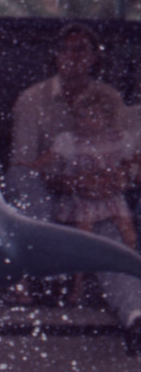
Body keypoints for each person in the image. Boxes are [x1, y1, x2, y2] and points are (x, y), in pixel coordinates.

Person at [7, 22, 123, 219]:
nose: (71, 56)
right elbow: (23, 161)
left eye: (79, 49)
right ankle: (38, 243)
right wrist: (60, 182)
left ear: (94, 57)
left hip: (96, 186)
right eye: (64, 50)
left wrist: (103, 181)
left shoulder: (110, 97)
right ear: (56, 56)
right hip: (45, 186)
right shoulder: (31, 99)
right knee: (21, 178)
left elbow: (121, 150)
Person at [39, 86, 141, 310]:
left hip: (110, 197)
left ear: (107, 118)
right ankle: (77, 286)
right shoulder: (68, 140)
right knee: (83, 239)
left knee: (129, 234)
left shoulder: (120, 138)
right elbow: (47, 161)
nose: (86, 122)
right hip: (82, 198)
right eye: (81, 116)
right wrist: (36, 167)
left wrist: (124, 173)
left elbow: (132, 161)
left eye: (94, 116)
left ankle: (133, 273)